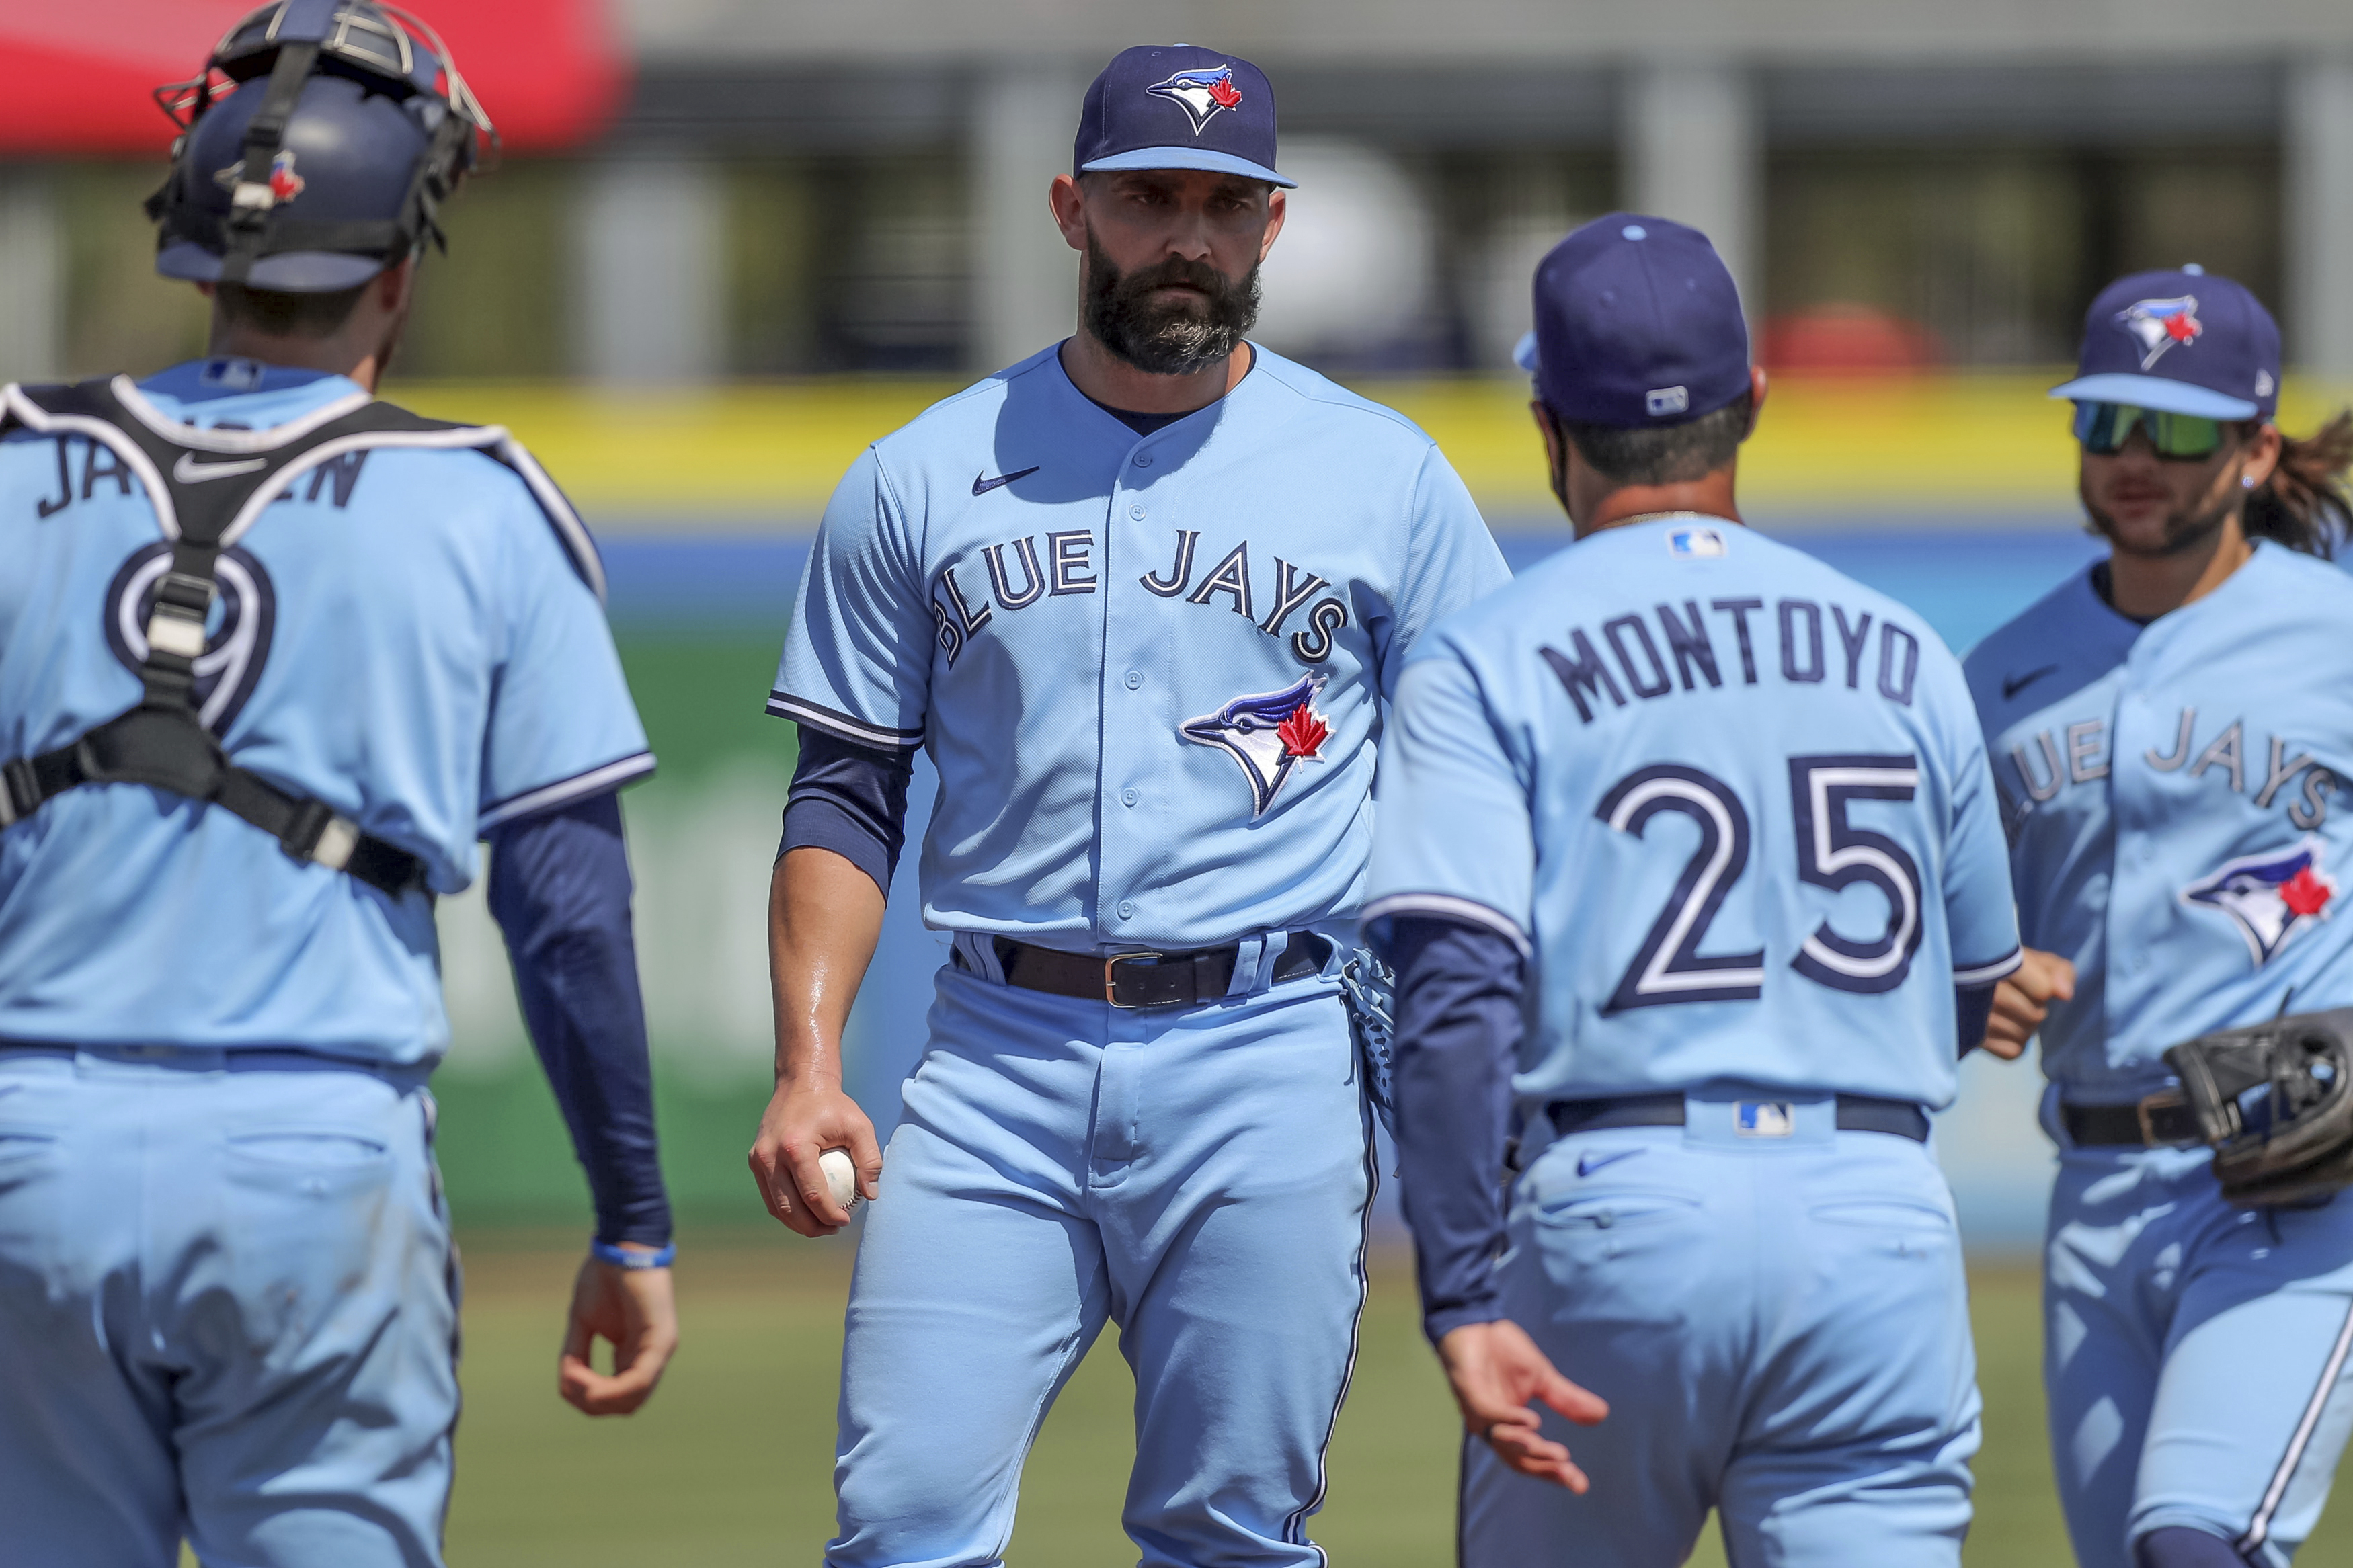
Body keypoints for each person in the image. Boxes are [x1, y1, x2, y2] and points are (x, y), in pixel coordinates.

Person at [744, 42, 1509, 1566]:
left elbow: (1482, 786)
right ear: (1069, 209)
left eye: (1226, 204)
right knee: (900, 1522)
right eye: (1149, 197)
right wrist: (808, 1063)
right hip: (996, 1063)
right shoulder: (921, 471)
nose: (1188, 237)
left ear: (1272, 228)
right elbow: (844, 789)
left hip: (1269, 1049)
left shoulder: (1385, 477)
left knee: (1227, 1531)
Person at [0, 5, 677, 1562]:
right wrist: (632, 1219)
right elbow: (569, 918)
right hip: (312, 1156)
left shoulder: (21, 460)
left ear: (195, 248)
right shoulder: (482, 501)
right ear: (400, 260)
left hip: (33, 1143)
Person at [1361, 213, 2026, 1566]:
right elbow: (1969, 987)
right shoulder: (1903, 653)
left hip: (1620, 1204)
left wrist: (1460, 1296)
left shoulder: (1484, 659)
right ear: (1753, 404)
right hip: (1874, 1216)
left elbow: (1456, 998)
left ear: (1548, 423)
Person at [1967, 267, 2353, 1568]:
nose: (2136, 455)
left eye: (2177, 428)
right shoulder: (2004, 673)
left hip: (2289, 1179)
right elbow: (1941, 939)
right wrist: (1972, 980)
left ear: (2251, 451)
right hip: (2089, 1182)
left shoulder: (2334, 636)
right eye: (2106, 419)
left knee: (2193, 1545)